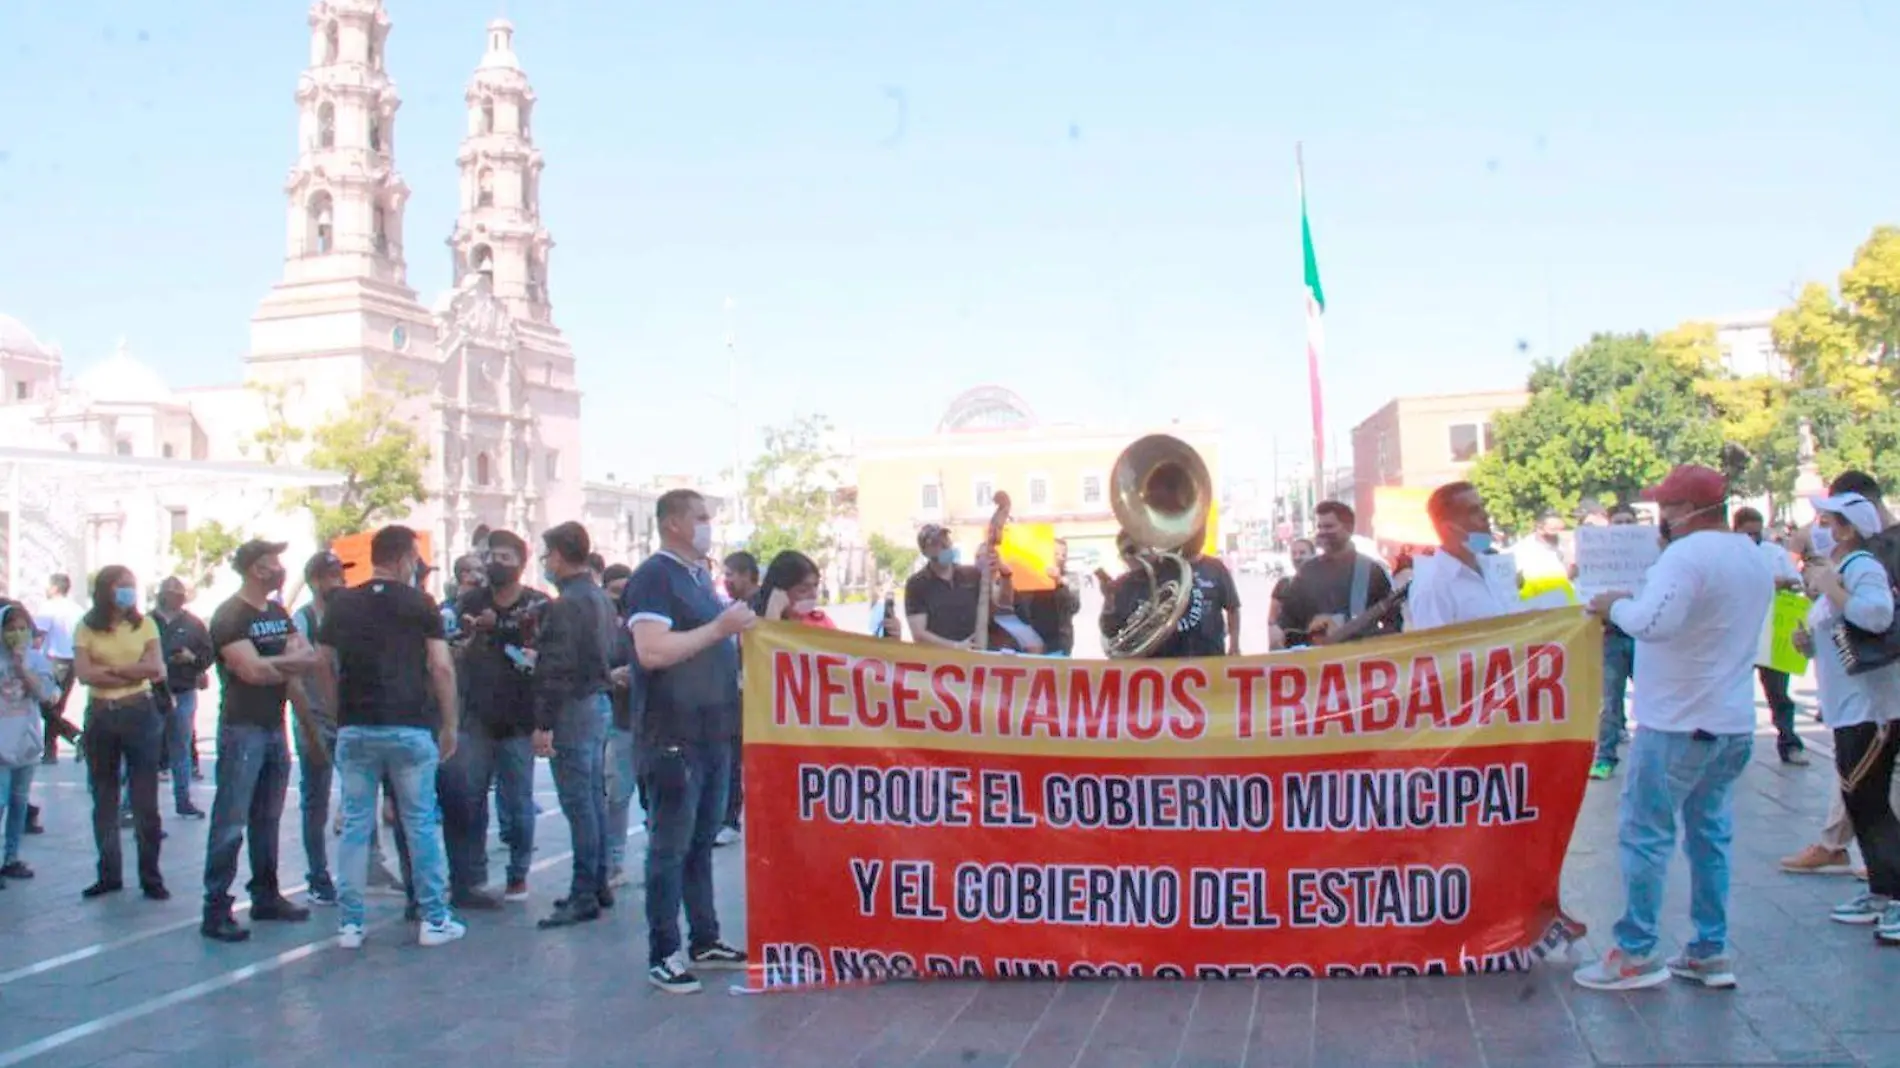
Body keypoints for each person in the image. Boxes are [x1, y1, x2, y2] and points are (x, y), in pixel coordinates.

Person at [1576, 465, 1771, 991]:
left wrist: (1614, 603)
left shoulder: (1685, 556)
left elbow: (1654, 623)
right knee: (1710, 836)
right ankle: (1709, 948)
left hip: (1678, 722)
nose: (1660, 517)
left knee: (1646, 836)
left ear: (1685, 511)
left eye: (1666, 506)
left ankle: (1636, 950)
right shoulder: (1751, 555)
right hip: (1730, 722)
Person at [624, 489, 754, 993]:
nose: (708, 526)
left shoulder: (700, 578)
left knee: (700, 843)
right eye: (701, 518)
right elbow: (652, 651)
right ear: (674, 523)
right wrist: (720, 627)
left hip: (712, 732)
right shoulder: (655, 577)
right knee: (670, 847)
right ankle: (664, 950)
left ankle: (705, 937)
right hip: (673, 735)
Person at [314, 525, 465, 949]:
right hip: (409, 724)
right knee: (419, 822)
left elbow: (321, 661)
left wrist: (334, 709)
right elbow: (440, 666)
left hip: (357, 725)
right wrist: (449, 722)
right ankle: (434, 918)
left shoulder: (343, 604)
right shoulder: (421, 604)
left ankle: (350, 923)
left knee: (356, 824)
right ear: (403, 559)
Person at [201, 540, 322, 941]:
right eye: (272, 562)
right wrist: (283, 664)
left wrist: (276, 667)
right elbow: (250, 671)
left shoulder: (277, 612)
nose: (279, 568)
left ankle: (266, 894)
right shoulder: (231, 616)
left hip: (274, 724)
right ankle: (216, 906)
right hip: (242, 727)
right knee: (231, 818)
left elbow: (305, 660)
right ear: (256, 568)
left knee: (267, 817)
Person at [1783, 470, 1900, 874]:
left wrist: (1831, 587)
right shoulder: (1847, 568)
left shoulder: (1861, 567)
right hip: (1848, 706)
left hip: (1869, 707)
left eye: (1829, 522)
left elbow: (1876, 616)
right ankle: (1881, 895)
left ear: (1847, 531)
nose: (1821, 529)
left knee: (1869, 802)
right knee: (1862, 800)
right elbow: (1840, 630)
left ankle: (1893, 895)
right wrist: (1808, 642)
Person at [445, 529, 546, 907]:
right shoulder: (469, 601)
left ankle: (518, 874)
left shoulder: (537, 605)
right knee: (467, 800)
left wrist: (543, 721)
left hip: (519, 719)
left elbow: (543, 656)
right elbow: (451, 649)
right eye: (492, 556)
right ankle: (471, 877)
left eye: (505, 557)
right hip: (475, 718)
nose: (496, 564)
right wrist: (469, 637)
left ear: (521, 562)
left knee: (518, 804)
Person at [530, 522, 617, 928]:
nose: (546, 563)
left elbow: (557, 666)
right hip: (596, 702)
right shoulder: (598, 597)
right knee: (592, 799)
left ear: (560, 556)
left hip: (574, 708)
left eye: (547, 555)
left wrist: (543, 721)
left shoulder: (566, 604)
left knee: (579, 803)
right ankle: (597, 882)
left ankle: (584, 889)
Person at [74, 566, 169, 901]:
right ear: (105, 590)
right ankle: (109, 872)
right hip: (101, 714)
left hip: (139, 711)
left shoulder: (145, 624)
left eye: (132, 585)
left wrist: (110, 671)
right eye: (122, 585)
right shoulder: (86, 626)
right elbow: (84, 673)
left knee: (145, 799)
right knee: (104, 796)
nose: (128, 591)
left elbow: (154, 668)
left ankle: (151, 876)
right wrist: (129, 672)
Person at [291, 550, 358, 906]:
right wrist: (307, 723)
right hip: (317, 716)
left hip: (347, 715)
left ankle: (355, 872)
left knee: (357, 792)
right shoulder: (302, 619)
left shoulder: (348, 615)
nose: (340, 582)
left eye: (341, 576)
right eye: (332, 576)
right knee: (314, 796)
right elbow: (303, 666)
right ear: (315, 580)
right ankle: (318, 874)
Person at [1733, 506, 1809, 765]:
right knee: (1733, 690)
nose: (1753, 538)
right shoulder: (1729, 555)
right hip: (1740, 632)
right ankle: (1730, 744)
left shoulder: (1774, 553)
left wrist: (1778, 582)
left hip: (1772, 631)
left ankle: (1789, 742)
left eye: (1757, 533)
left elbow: (1796, 581)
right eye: (1748, 534)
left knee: (1778, 692)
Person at [1099, 532, 1241, 658]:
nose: (1135, 557)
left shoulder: (1176, 568)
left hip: (1206, 655)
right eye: (1127, 553)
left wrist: (1234, 645)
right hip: (1160, 666)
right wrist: (1109, 600)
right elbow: (1110, 632)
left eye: (1136, 548)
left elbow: (1232, 607)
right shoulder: (1122, 585)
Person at [1275, 502, 1396, 647]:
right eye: (1319, 527)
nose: (1322, 532)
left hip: (1358, 661)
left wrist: (1347, 627)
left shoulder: (1372, 572)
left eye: (1329, 526)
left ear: (1349, 528)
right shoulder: (1307, 572)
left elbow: (1393, 625)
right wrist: (1310, 631)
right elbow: (1287, 621)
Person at [1406, 482, 1518, 631]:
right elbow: (1436, 649)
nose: (1485, 516)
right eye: (1473, 511)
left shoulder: (1491, 566)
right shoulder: (1432, 586)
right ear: (1448, 528)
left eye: (1482, 507)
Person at [0, 601, 57, 886]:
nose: (17, 634)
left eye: (23, 629)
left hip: (26, 740)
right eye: (11, 629)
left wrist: (23, 668)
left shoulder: (35, 659)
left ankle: (11, 857)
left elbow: (48, 695)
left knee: (18, 802)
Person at [152, 577, 213, 818]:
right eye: (170, 592)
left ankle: (183, 799)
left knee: (181, 747)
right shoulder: (147, 622)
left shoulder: (193, 624)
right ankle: (132, 804)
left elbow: (208, 654)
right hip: (153, 691)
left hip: (183, 689)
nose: (175, 596)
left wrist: (193, 659)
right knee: (145, 749)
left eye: (179, 592)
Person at [1591, 504, 1643, 781]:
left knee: (1650, 698)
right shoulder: (1599, 558)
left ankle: (1649, 757)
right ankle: (1604, 757)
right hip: (1611, 635)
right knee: (1609, 701)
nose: (1624, 527)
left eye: (1629, 522)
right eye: (1619, 522)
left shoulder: (1651, 556)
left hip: (1644, 637)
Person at [600, 563, 641, 888]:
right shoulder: (603, 630)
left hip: (650, 720)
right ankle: (613, 861)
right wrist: (610, 678)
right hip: (620, 720)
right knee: (617, 793)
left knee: (657, 795)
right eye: (615, 592)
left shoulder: (644, 624)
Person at [904, 524, 983, 648]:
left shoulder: (972, 574)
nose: (944, 545)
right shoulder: (917, 584)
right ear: (925, 551)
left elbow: (999, 603)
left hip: (976, 657)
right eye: (936, 543)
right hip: (939, 661)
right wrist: (956, 646)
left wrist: (1003, 573)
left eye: (946, 540)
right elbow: (919, 635)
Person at [36, 573, 83, 764]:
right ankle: (50, 751)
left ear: (55, 588)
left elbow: (38, 635)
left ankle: (77, 737)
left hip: (54, 661)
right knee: (55, 708)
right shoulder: (76, 609)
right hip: (71, 663)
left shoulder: (49, 607)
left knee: (46, 706)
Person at [1016, 539, 1081, 656]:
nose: (1060, 558)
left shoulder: (1070, 578)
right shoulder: (1028, 576)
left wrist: (1060, 583)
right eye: (1056, 554)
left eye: (1064, 555)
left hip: (1059, 641)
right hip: (1031, 639)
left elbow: (1074, 606)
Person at [755, 551, 839, 629]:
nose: (814, 595)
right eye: (803, 590)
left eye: (815, 586)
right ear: (780, 593)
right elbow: (767, 642)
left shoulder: (822, 622)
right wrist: (773, 611)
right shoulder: (753, 625)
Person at [1267, 539, 1316, 650]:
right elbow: (1272, 620)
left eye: (1302, 553)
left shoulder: (1324, 583)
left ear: (1313, 555)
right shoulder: (1283, 584)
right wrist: (1274, 643)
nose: (1297, 557)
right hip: (1288, 647)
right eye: (1293, 553)